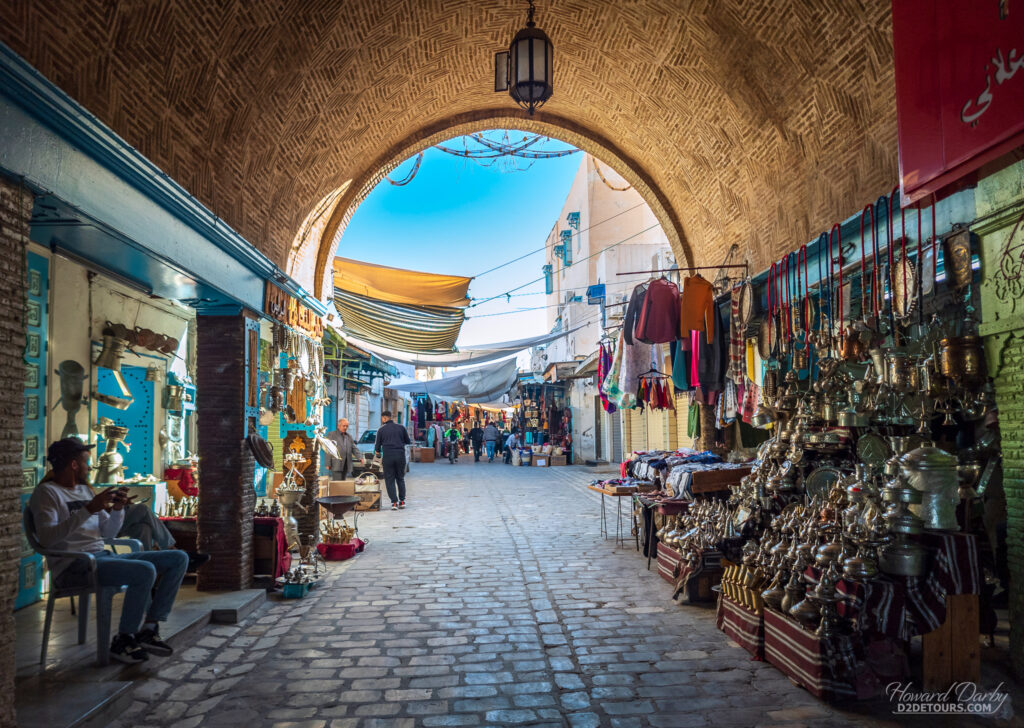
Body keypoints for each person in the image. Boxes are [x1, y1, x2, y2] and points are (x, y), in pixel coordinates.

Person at [29, 438, 189, 664]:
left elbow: (108, 533)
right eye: (87, 462)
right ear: (74, 464)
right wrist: (88, 510)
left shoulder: (85, 490)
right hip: (75, 565)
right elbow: (47, 539)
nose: (90, 467)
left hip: (102, 557)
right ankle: (123, 639)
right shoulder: (47, 494)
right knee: (144, 570)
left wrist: (117, 509)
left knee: (178, 558)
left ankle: (149, 628)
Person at [374, 412, 411, 510]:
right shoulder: (401, 428)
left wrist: (378, 454)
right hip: (400, 456)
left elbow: (377, 447)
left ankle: (394, 502)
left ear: (384, 418)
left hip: (388, 457)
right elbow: (408, 441)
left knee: (389, 480)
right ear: (391, 417)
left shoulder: (381, 430)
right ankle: (402, 501)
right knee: (400, 478)